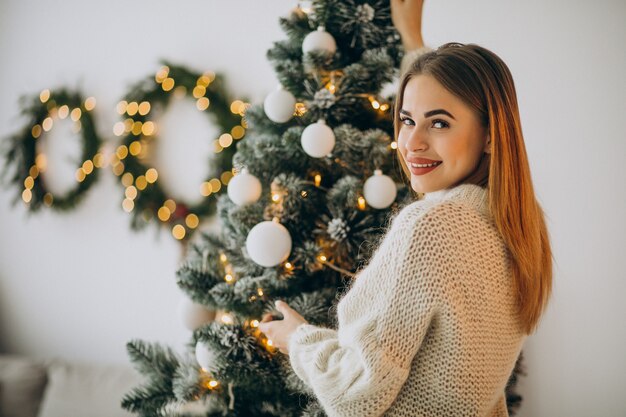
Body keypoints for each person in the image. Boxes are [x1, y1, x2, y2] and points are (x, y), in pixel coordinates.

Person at [259, 1, 553, 416]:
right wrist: (413, 41)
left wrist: (298, 339)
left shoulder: (431, 227)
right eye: (406, 119)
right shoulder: (522, 222)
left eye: (439, 123)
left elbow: (354, 393)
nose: (410, 143)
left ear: (490, 136)